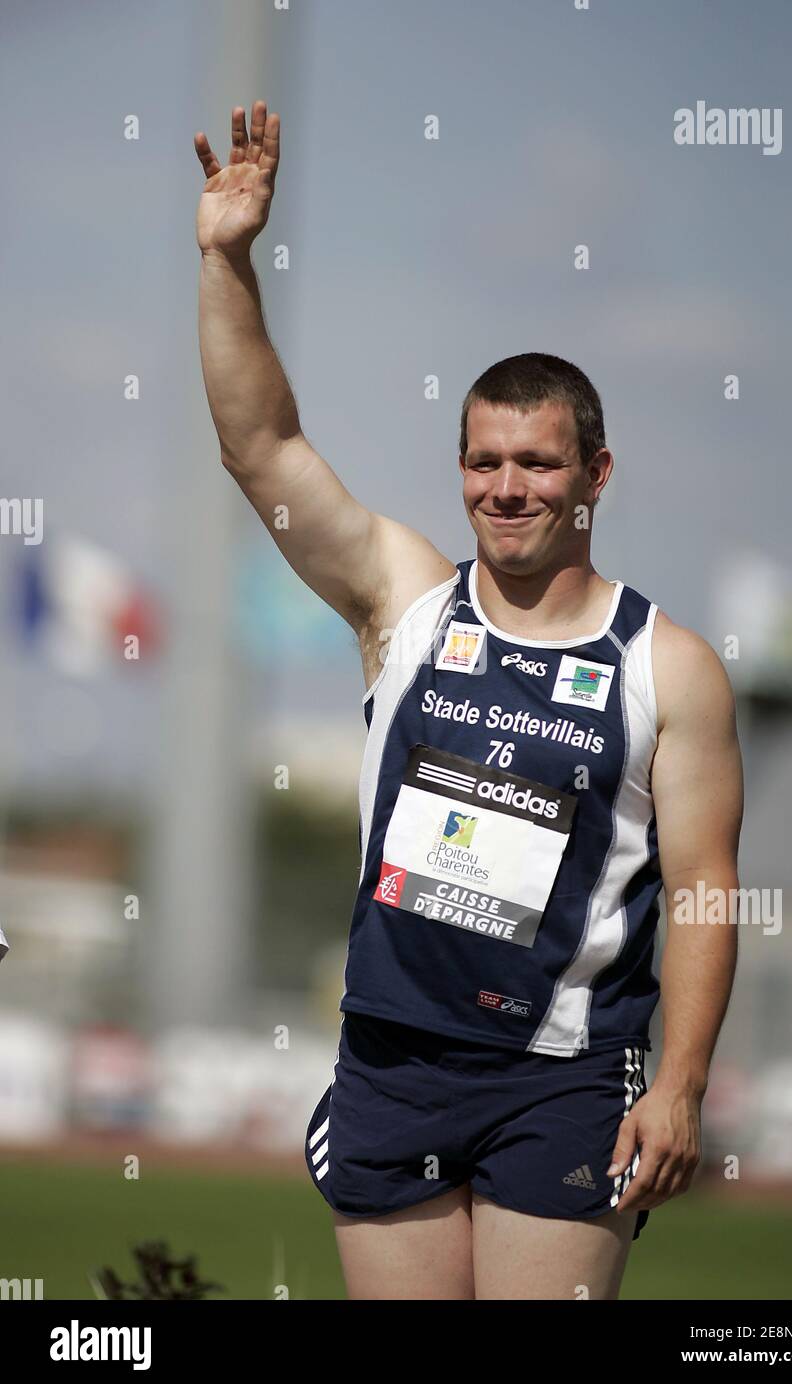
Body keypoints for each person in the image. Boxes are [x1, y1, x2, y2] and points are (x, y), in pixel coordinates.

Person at [195, 101, 744, 1300]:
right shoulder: (402, 600)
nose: (506, 489)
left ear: (593, 473)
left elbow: (704, 887)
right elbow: (261, 449)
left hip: (563, 1071)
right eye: (483, 462)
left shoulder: (668, 665)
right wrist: (228, 259)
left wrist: (681, 1082)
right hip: (392, 1060)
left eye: (536, 462)